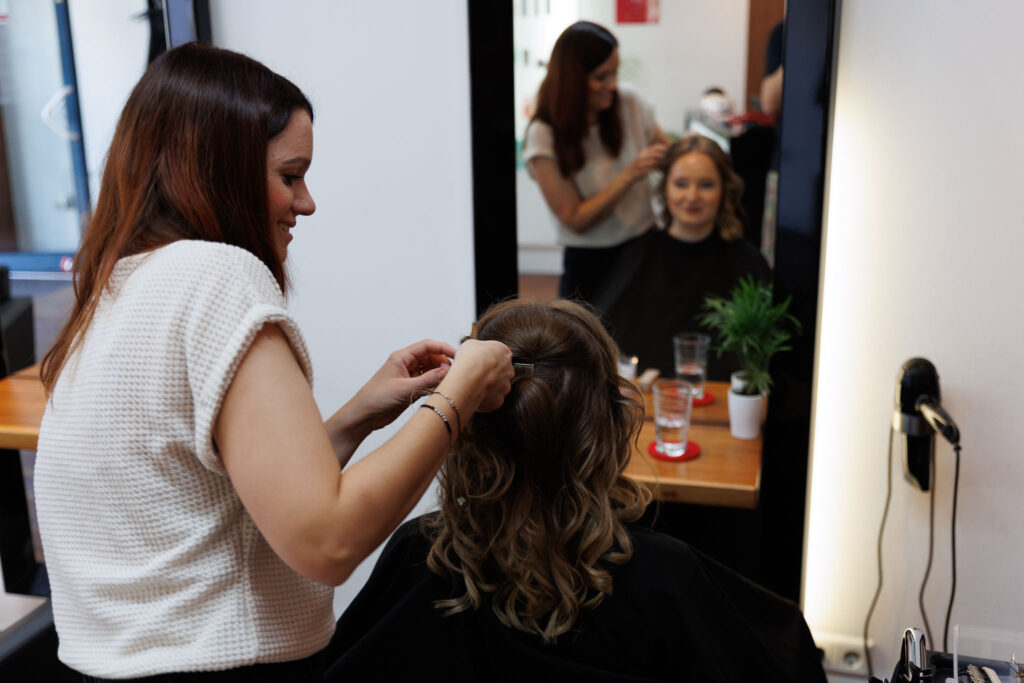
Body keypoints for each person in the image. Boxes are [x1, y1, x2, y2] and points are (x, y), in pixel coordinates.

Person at [32, 43, 513, 682]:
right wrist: (460, 394)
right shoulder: (218, 275)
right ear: (216, 169)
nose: (305, 202)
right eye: (290, 175)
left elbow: (217, 503)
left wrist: (359, 416)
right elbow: (326, 541)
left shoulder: (116, 289)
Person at [322, 299, 826, 682]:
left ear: (467, 430)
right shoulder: (664, 578)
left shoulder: (420, 558)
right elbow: (788, 658)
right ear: (609, 424)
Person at [592, 133, 771, 379]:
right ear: (665, 188)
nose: (692, 196)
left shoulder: (746, 262)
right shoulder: (638, 255)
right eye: (681, 184)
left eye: (706, 185)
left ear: (724, 190)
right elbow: (605, 338)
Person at [523, 21, 670, 303]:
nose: (612, 85)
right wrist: (630, 175)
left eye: (615, 72)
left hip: (643, 248)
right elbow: (575, 219)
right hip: (589, 264)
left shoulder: (630, 102)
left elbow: (669, 153)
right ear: (572, 80)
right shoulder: (543, 134)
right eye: (601, 76)